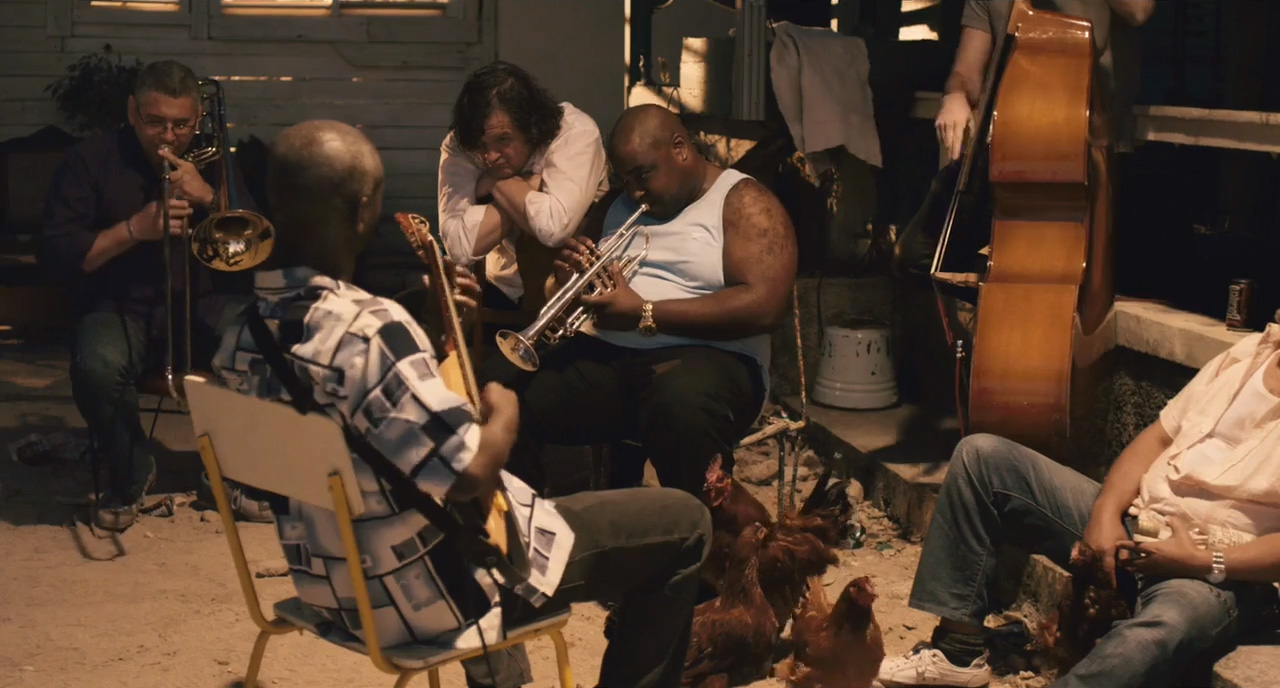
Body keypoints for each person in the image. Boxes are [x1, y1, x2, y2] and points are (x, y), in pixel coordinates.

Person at [211, 119, 713, 688]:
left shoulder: (241, 335)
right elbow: (470, 473)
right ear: (363, 211)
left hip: (332, 591)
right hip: (434, 596)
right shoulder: (371, 330)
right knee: (685, 522)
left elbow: (357, 424)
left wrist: (428, 326)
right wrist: (505, 412)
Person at [878, 326, 1280, 688]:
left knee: (1160, 630)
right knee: (981, 457)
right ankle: (957, 653)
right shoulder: (1248, 355)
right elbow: (1156, 439)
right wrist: (1105, 512)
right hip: (1138, 522)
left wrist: (1200, 561)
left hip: (1214, 571)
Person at [484, 103, 798, 496]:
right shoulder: (617, 205)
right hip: (610, 355)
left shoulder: (743, 201)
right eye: (625, 178)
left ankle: (702, 528)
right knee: (500, 388)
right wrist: (565, 283)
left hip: (711, 357)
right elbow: (563, 291)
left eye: (643, 174)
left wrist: (645, 313)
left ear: (680, 148)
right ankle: (518, 520)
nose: (634, 191)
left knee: (679, 405)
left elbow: (765, 306)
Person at [38, 59, 269, 532]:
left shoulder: (215, 161)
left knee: (269, 342)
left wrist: (209, 198)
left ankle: (231, 476)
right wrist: (134, 229)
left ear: (197, 118)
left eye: (181, 125)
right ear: (132, 111)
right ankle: (130, 472)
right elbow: (60, 258)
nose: (169, 136)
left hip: (203, 302)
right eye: (155, 122)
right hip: (120, 305)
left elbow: (251, 245)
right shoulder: (89, 161)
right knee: (96, 364)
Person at [934, 0, 1155, 331]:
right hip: (1010, 157)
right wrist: (955, 96)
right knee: (914, 254)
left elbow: (1139, 10)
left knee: (1072, 297)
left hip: (1082, 155)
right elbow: (966, 70)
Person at [438, 60, 610, 316]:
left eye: (503, 139)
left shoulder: (575, 131)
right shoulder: (461, 143)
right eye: (481, 145)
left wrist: (494, 182)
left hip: (570, 295)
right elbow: (458, 247)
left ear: (532, 127)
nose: (490, 157)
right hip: (500, 288)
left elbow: (553, 229)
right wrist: (529, 187)